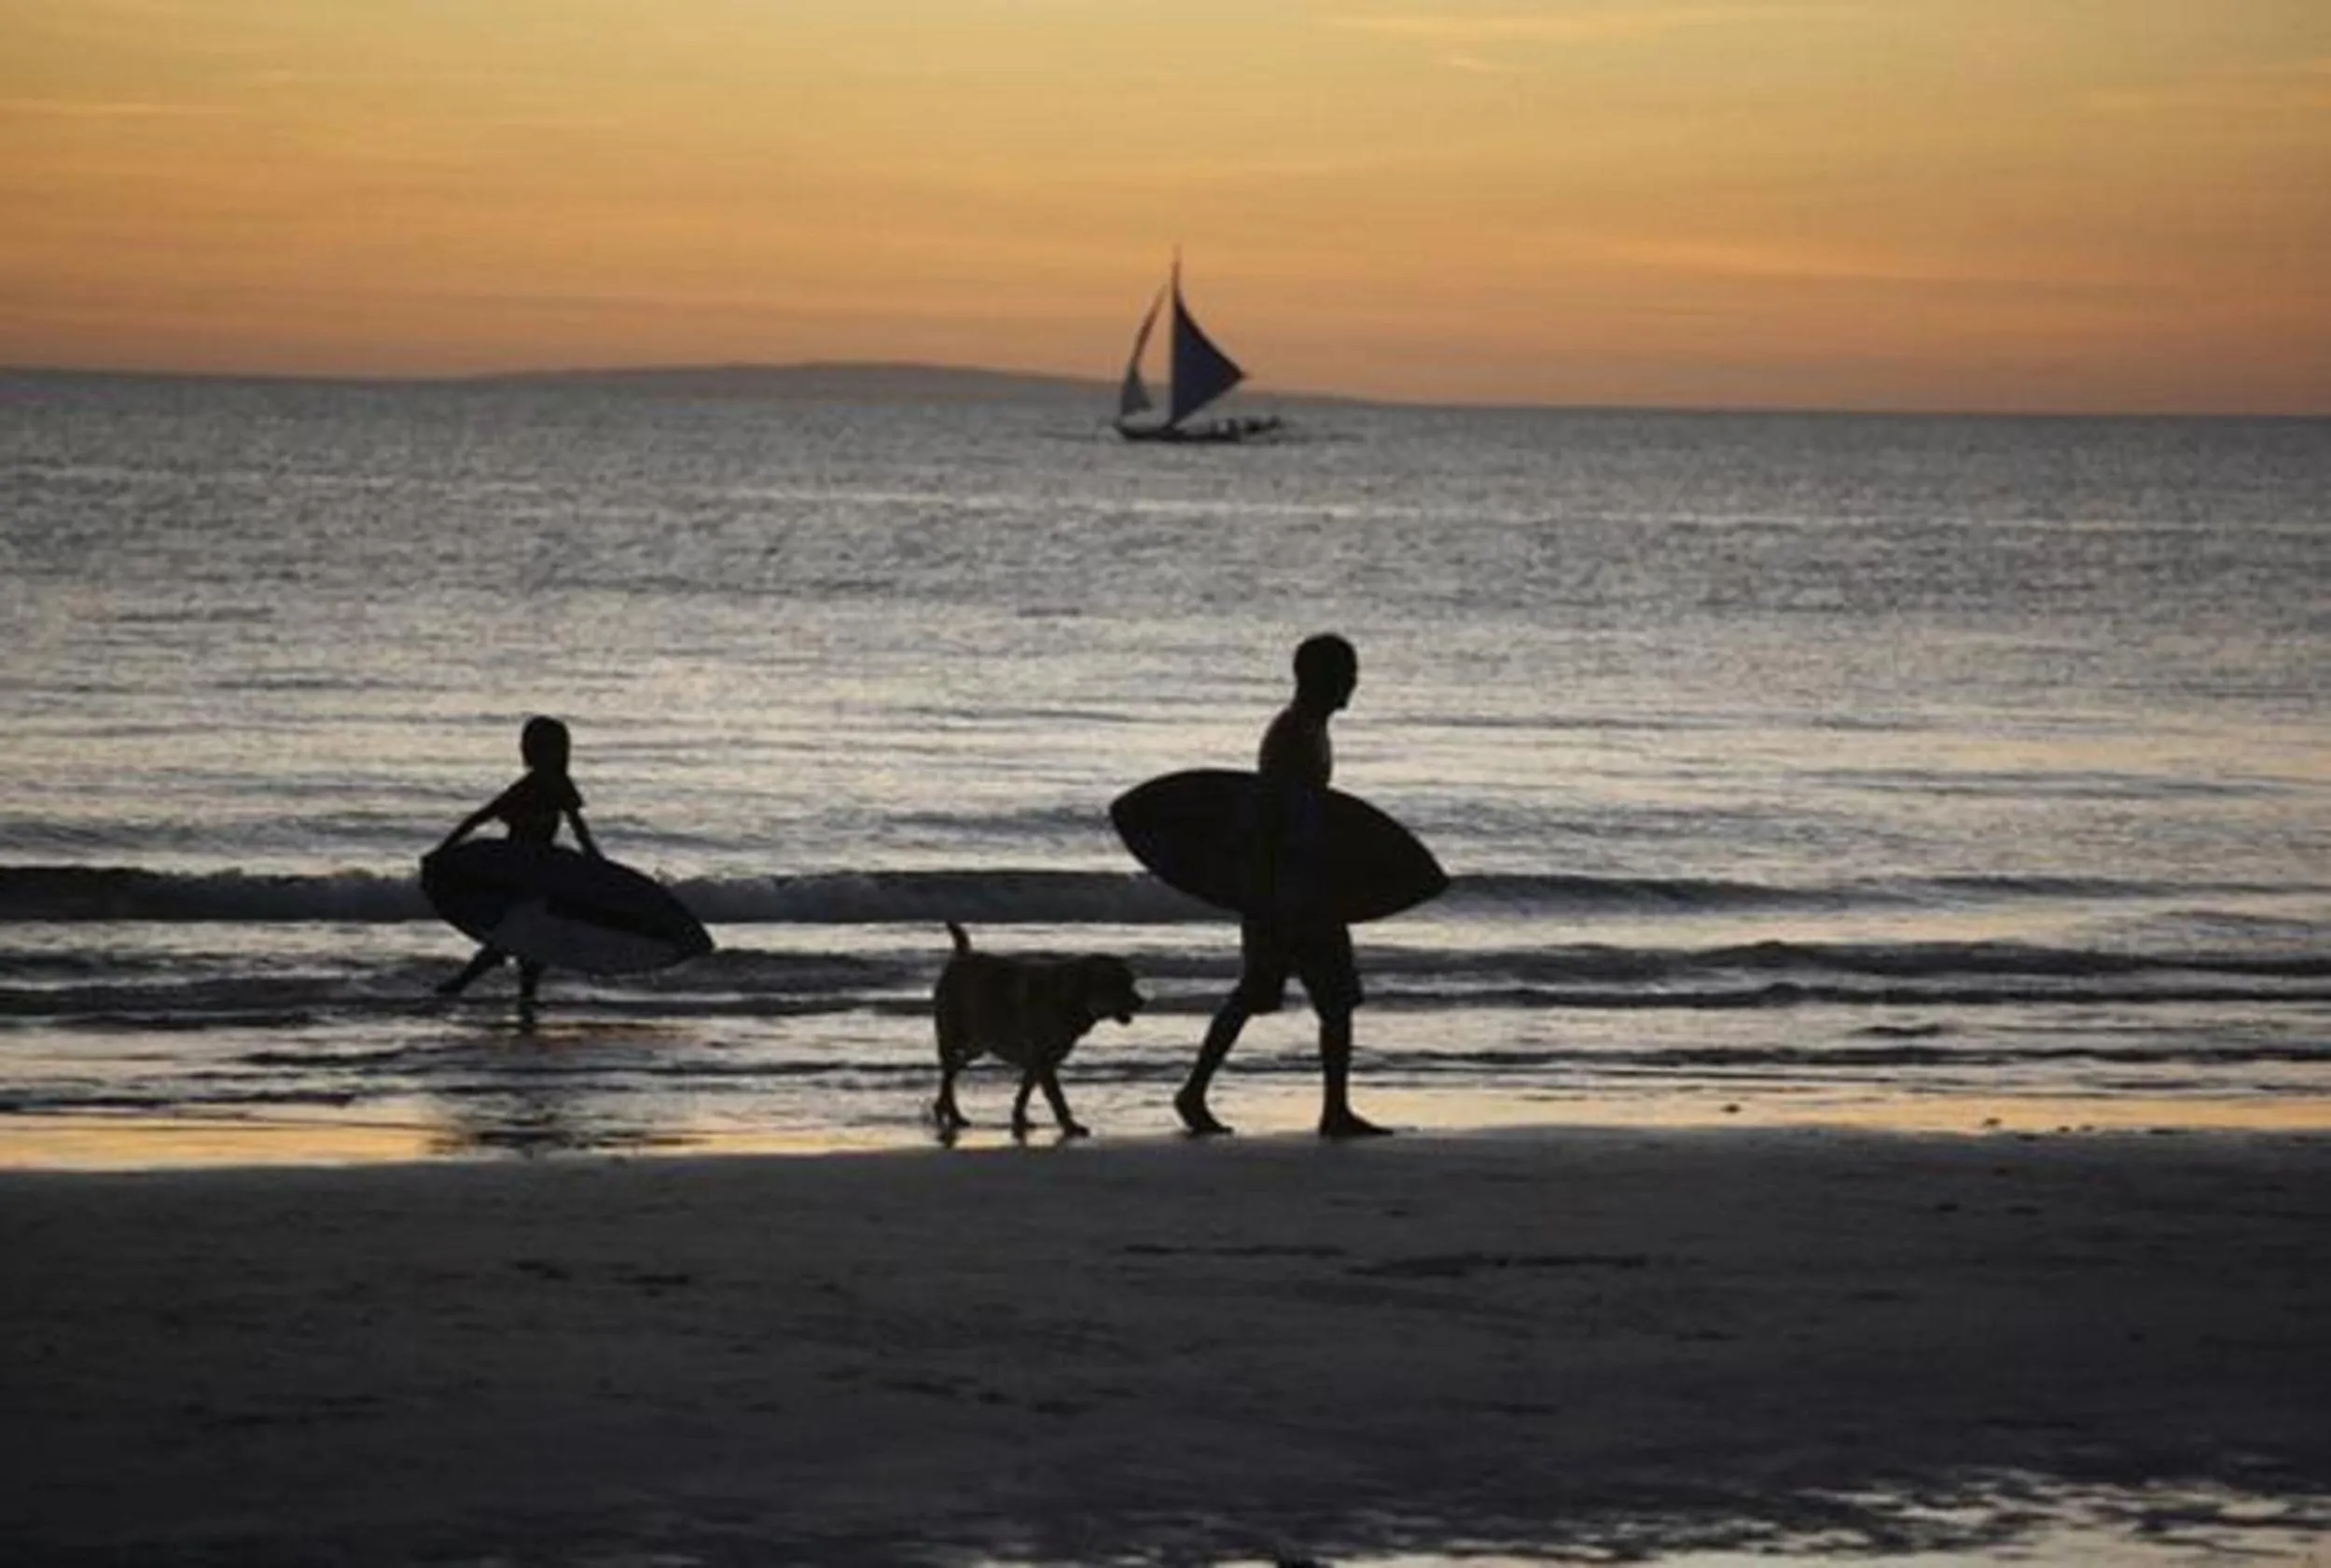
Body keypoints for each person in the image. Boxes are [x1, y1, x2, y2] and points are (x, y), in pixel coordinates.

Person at [1176, 633, 1390, 1139]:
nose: (1354, 682)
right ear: (1320, 678)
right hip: (1290, 891)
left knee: (1283, 994)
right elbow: (1279, 820)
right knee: (1313, 998)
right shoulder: (1293, 733)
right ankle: (1327, 1111)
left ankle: (1201, 1092)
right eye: (1347, 672)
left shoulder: (1309, 728)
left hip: (1290, 888)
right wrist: (1289, 896)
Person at [431, 715, 599, 1012]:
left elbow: (578, 828)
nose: (532, 751)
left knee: (524, 936)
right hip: (519, 873)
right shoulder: (531, 786)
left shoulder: (555, 785)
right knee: (520, 935)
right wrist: (444, 851)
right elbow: (480, 817)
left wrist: (595, 862)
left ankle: (503, 990)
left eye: (540, 746)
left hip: (534, 873)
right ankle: (488, 987)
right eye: (533, 746)